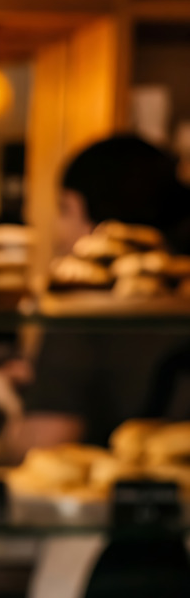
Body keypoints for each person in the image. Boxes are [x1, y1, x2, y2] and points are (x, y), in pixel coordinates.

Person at [15, 133, 190, 452]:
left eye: (63, 210)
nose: (57, 232)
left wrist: (5, 408)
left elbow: (49, 439)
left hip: (105, 495)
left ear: (82, 208)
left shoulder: (81, 310)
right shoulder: (179, 294)